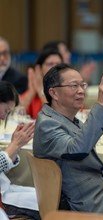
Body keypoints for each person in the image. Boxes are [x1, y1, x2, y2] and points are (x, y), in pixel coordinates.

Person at [32, 63, 103, 219]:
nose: (81, 91)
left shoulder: (68, 120)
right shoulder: (47, 124)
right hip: (85, 204)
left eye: (83, 85)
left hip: (101, 196)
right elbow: (77, 150)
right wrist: (101, 104)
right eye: (74, 86)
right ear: (53, 93)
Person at [0, 81, 38, 219]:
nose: (4, 117)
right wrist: (14, 146)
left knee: (49, 196)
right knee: (47, 203)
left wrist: (15, 147)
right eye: (6, 111)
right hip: (3, 199)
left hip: (6, 189)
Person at [20, 49, 63, 119]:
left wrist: (40, 90)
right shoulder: (34, 92)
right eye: (50, 64)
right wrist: (32, 91)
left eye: (58, 64)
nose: (55, 68)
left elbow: (55, 117)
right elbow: (16, 114)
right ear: (39, 69)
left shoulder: (66, 89)